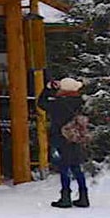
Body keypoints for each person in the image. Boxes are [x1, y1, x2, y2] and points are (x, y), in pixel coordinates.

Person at [37, 77, 90, 209]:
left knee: (64, 168)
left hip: (60, 138)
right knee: (77, 167)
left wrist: (48, 89)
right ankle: (84, 196)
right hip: (76, 138)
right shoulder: (80, 102)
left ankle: (65, 196)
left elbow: (41, 103)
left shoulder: (57, 104)